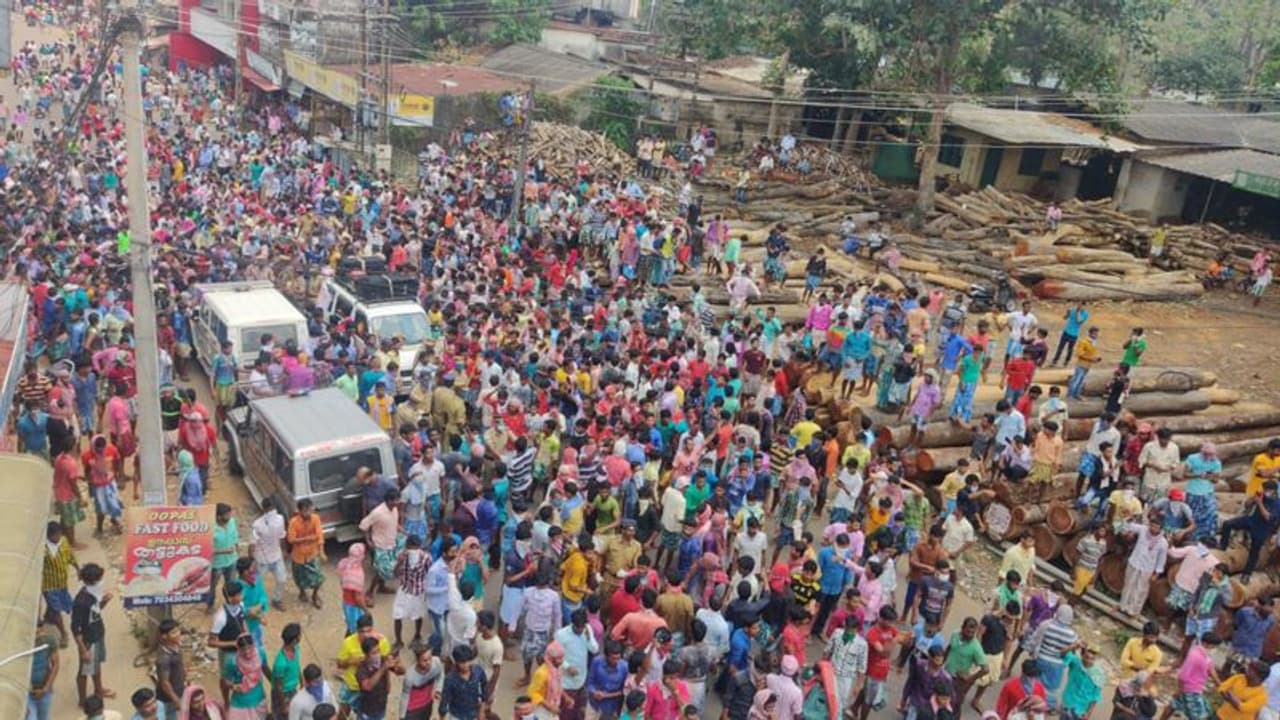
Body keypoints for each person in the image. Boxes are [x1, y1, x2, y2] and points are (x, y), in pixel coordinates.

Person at [72, 562, 115, 707]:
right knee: (84, 670)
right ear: (91, 581)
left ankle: (98, 690)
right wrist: (83, 649)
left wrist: (104, 602)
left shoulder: (94, 593)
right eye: (99, 579)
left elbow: (95, 612)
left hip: (98, 635)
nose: (101, 582)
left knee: (96, 666)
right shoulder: (81, 601)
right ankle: (82, 701)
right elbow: (75, 627)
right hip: (88, 640)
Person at [286, 499, 326, 609]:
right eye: (306, 510)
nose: (309, 513)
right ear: (299, 511)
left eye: (310, 510)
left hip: (312, 555)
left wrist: (322, 552)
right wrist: (306, 539)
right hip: (298, 556)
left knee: (319, 579)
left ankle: (315, 595)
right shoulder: (293, 522)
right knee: (299, 578)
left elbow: (320, 536)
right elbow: (291, 539)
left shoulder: (315, 518)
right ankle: (302, 592)